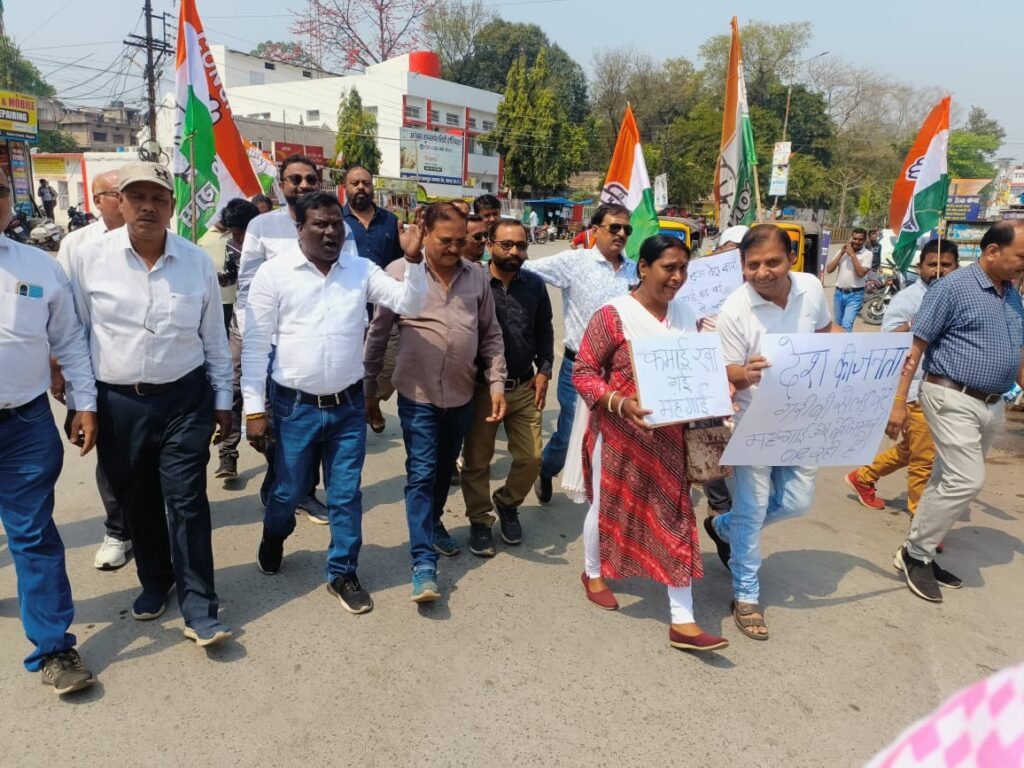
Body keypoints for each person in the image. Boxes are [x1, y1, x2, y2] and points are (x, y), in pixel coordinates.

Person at [68, 161, 235, 648]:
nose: (147, 207)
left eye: (158, 199)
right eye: (137, 197)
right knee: (137, 500)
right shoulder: (88, 259)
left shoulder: (195, 262)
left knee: (186, 501)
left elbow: (214, 338)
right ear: (119, 203)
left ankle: (200, 606)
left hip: (183, 399)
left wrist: (223, 399)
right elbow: (76, 337)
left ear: (172, 206)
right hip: (118, 403)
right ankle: (155, 580)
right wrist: (83, 404)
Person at [243, 192, 426, 614]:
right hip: (294, 408)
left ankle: (343, 571)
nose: (330, 232)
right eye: (319, 224)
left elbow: (410, 303)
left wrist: (413, 261)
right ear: (299, 229)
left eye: (335, 224)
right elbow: (254, 346)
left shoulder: (360, 270)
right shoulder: (275, 274)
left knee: (345, 494)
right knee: (288, 492)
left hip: (347, 406)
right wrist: (253, 410)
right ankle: (274, 534)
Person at [574, 235, 727, 653]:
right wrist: (620, 403)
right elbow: (583, 372)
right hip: (619, 437)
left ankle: (683, 621)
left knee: (675, 517)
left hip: (672, 440)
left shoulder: (686, 314)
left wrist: (725, 387)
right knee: (606, 506)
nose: (677, 277)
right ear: (643, 268)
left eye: (683, 269)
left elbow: (697, 369)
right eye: (668, 268)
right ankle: (593, 572)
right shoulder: (613, 315)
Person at [364, 202, 507, 601]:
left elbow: (491, 334)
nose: (454, 248)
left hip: (461, 395)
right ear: (424, 232)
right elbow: (378, 335)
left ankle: (434, 521)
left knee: (444, 470)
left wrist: (496, 383)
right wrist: (369, 389)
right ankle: (423, 562)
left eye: (461, 241)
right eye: (446, 240)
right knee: (422, 474)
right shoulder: (399, 274)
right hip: (418, 395)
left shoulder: (476, 277)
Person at [706, 224, 837, 641]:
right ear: (742, 267)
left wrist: (857, 353)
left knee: (797, 502)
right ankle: (746, 595)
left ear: (792, 258)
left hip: (802, 419)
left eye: (772, 262)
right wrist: (745, 372)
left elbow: (824, 334)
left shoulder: (811, 288)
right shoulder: (735, 309)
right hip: (753, 422)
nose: (762, 272)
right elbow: (725, 370)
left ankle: (725, 526)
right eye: (753, 265)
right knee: (754, 507)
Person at [885, 220, 1024, 603]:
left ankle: (919, 551)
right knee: (966, 479)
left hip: (991, 404)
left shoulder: (1011, 293)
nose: (1023, 264)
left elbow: (1018, 351)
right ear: (992, 251)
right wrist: (898, 401)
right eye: (1021, 256)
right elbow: (914, 348)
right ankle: (915, 556)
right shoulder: (952, 288)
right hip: (950, 395)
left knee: (945, 479)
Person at [1, 167, 99, 694]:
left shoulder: (38, 266)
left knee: (33, 535)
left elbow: (69, 341)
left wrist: (84, 403)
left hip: (23, 424)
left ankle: (54, 648)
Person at [522, 203, 638, 503]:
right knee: (570, 433)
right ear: (595, 230)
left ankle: (601, 496)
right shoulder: (574, 262)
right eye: (614, 227)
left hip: (622, 371)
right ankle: (547, 468)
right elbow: (524, 267)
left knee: (615, 434)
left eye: (626, 229)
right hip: (580, 368)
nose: (621, 234)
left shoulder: (635, 271)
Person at [236, 155, 330, 521]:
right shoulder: (262, 225)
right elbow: (247, 285)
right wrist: (253, 338)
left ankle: (304, 491)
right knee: (277, 423)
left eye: (310, 179)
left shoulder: (335, 222)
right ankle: (279, 480)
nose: (303, 185)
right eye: (295, 179)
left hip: (319, 343)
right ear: (282, 182)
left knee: (317, 419)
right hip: (275, 344)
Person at [53, 170, 134, 571]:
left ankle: (151, 524)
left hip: (146, 372)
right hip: (96, 369)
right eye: (116, 193)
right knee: (111, 453)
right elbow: (65, 315)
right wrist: (63, 369)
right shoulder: (77, 245)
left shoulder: (158, 239)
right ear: (98, 200)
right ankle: (118, 530)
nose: (124, 200)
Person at [460, 219, 553, 556]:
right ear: (490, 246)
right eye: (507, 245)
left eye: (521, 245)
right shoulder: (473, 282)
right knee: (477, 461)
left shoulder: (535, 285)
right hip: (482, 388)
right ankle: (480, 519)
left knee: (531, 458)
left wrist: (544, 370)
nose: (515, 251)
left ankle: (508, 502)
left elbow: (545, 330)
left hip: (524, 385)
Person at [846, 240, 959, 515]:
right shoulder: (908, 299)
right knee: (924, 458)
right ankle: (921, 519)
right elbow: (887, 342)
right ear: (920, 267)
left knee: (914, 448)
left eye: (946, 265)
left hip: (949, 388)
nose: (939, 270)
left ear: (957, 267)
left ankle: (864, 477)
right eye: (932, 264)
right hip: (916, 387)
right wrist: (914, 323)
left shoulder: (960, 297)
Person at [208, 198, 260, 480]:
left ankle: (276, 451)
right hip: (240, 323)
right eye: (234, 234)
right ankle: (227, 454)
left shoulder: (271, 248)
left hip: (273, 326)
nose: (238, 239)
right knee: (233, 384)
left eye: (241, 234)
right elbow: (230, 277)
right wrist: (212, 276)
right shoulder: (232, 246)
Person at [825, 227, 872, 332]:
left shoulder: (868, 254)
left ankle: (845, 343)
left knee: (846, 325)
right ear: (851, 238)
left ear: (864, 240)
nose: (857, 241)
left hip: (855, 295)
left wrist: (852, 255)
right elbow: (829, 269)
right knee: (837, 324)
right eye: (854, 238)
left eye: (860, 239)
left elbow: (861, 273)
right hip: (839, 293)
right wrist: (841, 253)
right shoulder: (842, 252)